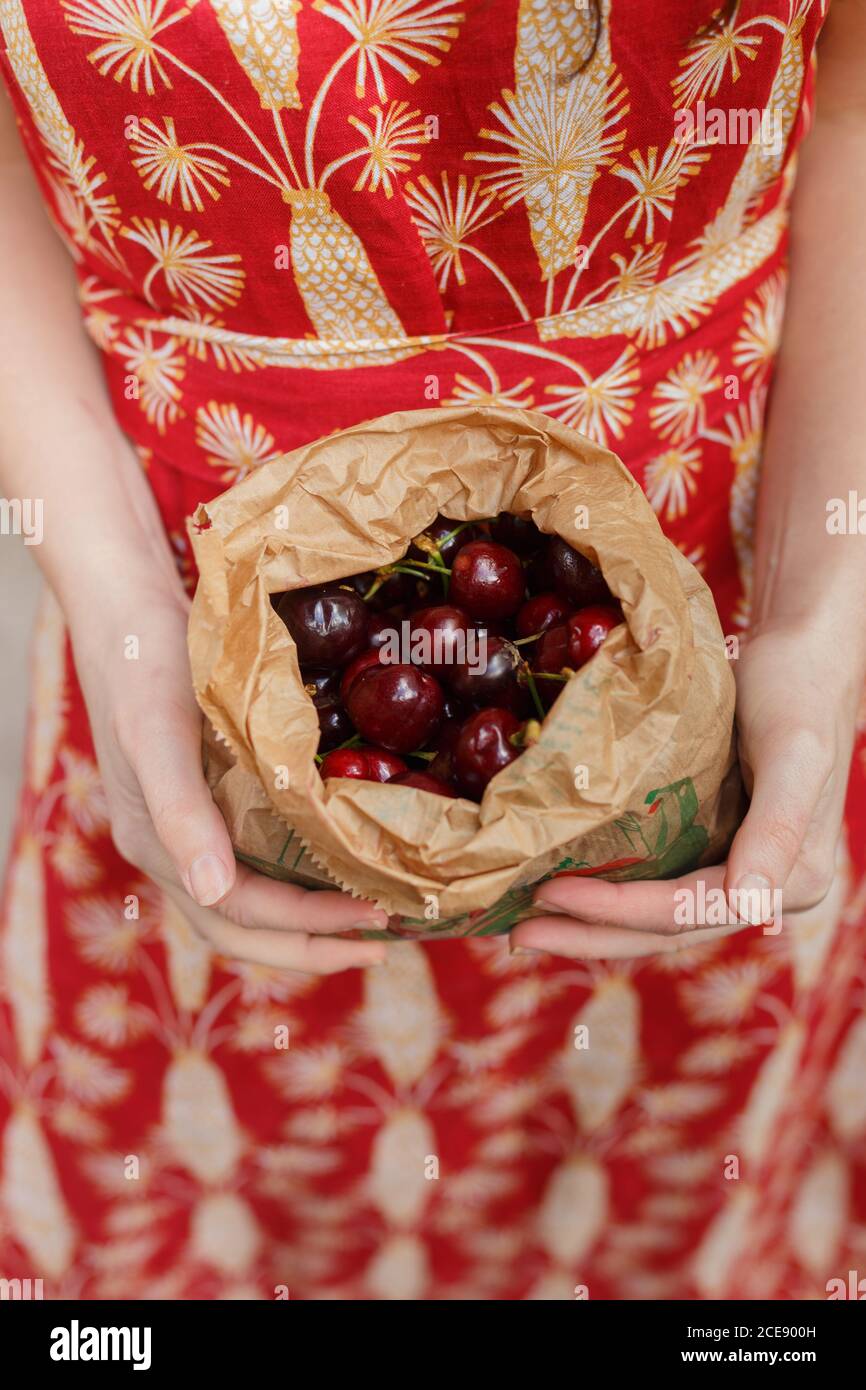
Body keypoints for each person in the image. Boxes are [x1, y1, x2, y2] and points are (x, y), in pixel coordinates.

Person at [0, 0, 863, 1300]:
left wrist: (824, 610)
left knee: (673, 1221)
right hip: (191, 693)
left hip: (709, 697)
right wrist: (114, 586)